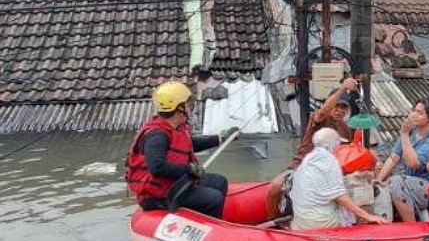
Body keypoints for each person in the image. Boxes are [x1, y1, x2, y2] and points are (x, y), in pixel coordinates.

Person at [125, 81, 239, 218]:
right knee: (214, 198)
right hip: (159, 196)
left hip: (176, 183)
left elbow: (191, 144)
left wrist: (221, 138)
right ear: (179, 108)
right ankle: (209, 230)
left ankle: (207, 219)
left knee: (220, 182)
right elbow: (157, 167)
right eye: (187, 103)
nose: (190, 107)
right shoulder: (157, 136)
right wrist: (189, 169)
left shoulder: (176, 128)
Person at [265, 78, 358, 219]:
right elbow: (324, 111)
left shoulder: (345, 128)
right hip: (300, 166)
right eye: (336, 106)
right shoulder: (318, 117)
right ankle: (270, 220)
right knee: (275, 187)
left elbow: (348, 155)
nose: (339, 110)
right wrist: (342, 89)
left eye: (343, 107)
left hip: (325, 173)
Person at [289, 128, 389, 230]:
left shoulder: (309, 158)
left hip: (302, 221)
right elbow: (340, 197)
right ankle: (363, 234)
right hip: (321, 222)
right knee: (361, 204)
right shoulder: (330, 160)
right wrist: (368, 216)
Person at [376, 98, 429, 222]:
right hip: (409, 184)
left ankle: (412, 227)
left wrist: (404, 135)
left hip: (428, 188)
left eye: (420, 113)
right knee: (378, 175)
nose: (414, 115)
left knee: (395, 181)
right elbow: (393, 158)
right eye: (414, 111)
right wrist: (378, 181)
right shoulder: (411, 132)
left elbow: (413, 163)